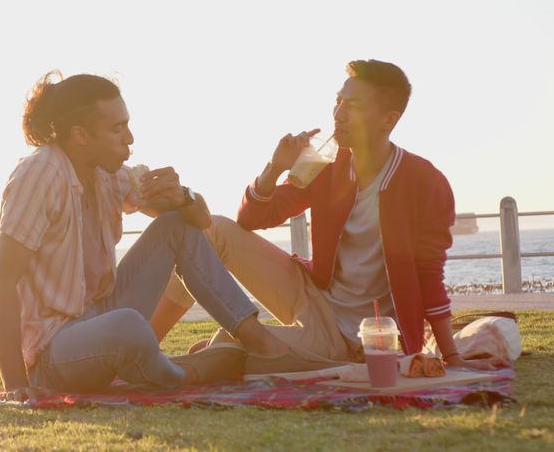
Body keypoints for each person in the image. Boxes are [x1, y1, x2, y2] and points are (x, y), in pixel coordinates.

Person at [150, 60, 509, 373]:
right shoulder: (324, 164)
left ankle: (223, 350)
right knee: (213, 227)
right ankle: (147, 343)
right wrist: (275, 168)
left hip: (347, 335)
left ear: (388, 119)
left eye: (352, 105)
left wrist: (450, 355)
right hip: (311, 291)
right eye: (337, 101)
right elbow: (252, 219)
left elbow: (429, 274)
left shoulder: (425, 182)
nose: (337, 114)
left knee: (234, 347)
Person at [0, 71, 283, 400]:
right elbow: (1, 283)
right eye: (117, 128)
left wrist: (183, 195)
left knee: (176, 225)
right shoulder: (40, 174)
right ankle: (186, 373)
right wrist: (15, 386)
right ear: (81, 135)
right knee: (128, 326)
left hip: (98, 318)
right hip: (53, 352)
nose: (129, 138)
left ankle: (258, 341)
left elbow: (199, 221)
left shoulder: (108, 175)